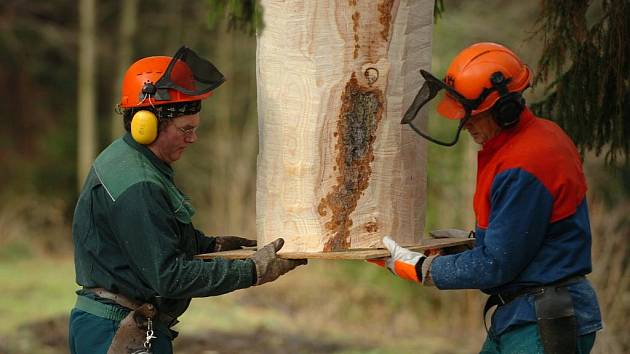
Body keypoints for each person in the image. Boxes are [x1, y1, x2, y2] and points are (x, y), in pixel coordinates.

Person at [69, 46, 306, 354]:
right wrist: (252, 270)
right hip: (117, 331)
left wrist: (211, 246)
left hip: (112, 324)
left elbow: (152, 240)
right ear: (147, 126)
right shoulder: (139, 184)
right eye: (185, 129)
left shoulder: (132, 160)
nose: (193, 138)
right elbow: (169, 276)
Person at [370, 42, 602, 353]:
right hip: (521, 315)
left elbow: (495, 265)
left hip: (541, 321)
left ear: (505, 110)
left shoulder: (527, 160)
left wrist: (420, 267)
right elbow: (527, 237)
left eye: (471, 115)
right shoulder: (523, 144)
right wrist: (471, 244)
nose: (463, 123)